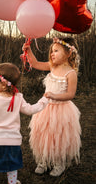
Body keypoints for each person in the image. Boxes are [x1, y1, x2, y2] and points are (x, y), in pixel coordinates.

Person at [0, 62, 48, 184]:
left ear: (3, 84)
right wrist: (43, 101)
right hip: (13, 140)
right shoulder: (18, 98)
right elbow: (31, 109)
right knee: (12, 164)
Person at [22, 37, 81, 176]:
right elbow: (35, 63)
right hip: (46, 108)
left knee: (58, 136)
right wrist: (28, 50)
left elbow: (70, 94)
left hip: (61, 109)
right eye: (52, 51)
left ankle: (58, 162)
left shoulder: (71, 73)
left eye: (56, 51)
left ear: (68, 53)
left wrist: (55, 96)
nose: (52, 54)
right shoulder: (52, 66)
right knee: (43, 134)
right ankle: (43, 160)